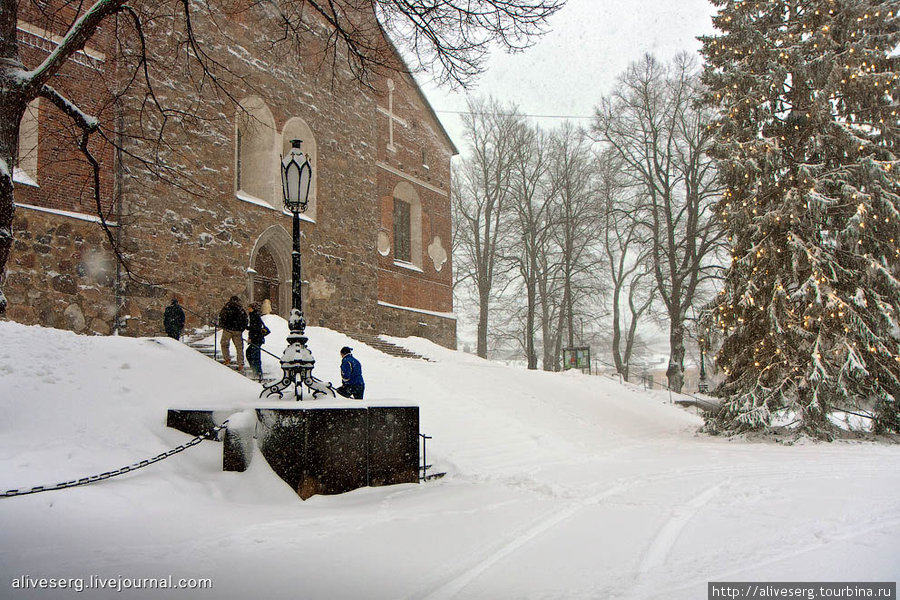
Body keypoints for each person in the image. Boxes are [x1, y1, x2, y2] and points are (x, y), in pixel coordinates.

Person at [218, 295, 248, 371]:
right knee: (239, 347)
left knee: (224, 344)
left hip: (228, 329)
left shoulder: (227, 307)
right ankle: (240, 363)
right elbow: (245, 319)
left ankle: (227, 359)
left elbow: (222, 316)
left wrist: (223, 325)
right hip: (237, 331)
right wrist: (241, 329)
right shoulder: (240, 308)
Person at [245, 302, 270, 381]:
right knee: (253, 354)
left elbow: (255, 329)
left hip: (256, 339)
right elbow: (254, 328)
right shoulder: (254, 316)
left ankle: (257, 372)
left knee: (252, 354)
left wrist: (251, 337)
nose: (248, 309)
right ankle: (256, 371)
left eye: (249, 308)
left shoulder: (254, 316)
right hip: (257, 339)